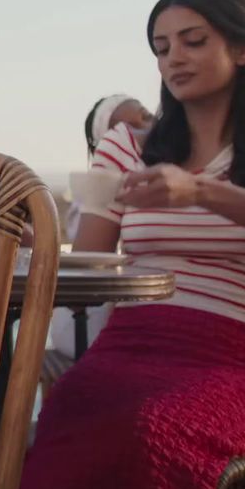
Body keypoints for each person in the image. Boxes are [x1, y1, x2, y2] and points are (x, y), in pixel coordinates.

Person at [19, 0, 245, 489]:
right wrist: (38, 243)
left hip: (238, 362)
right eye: (162, 47)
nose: (174, 58)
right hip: (128, 347)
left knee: (152, 430)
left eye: (194, 41)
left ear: (243, 50)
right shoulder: (126, 145)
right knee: (63, 416)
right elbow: (91, 268)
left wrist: (202, 191)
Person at [47, 93, 155, 358]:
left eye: (145, 116)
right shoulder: (89, 203)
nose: (143, 129)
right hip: (87, 313)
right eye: (125, 129)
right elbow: (87, 272)